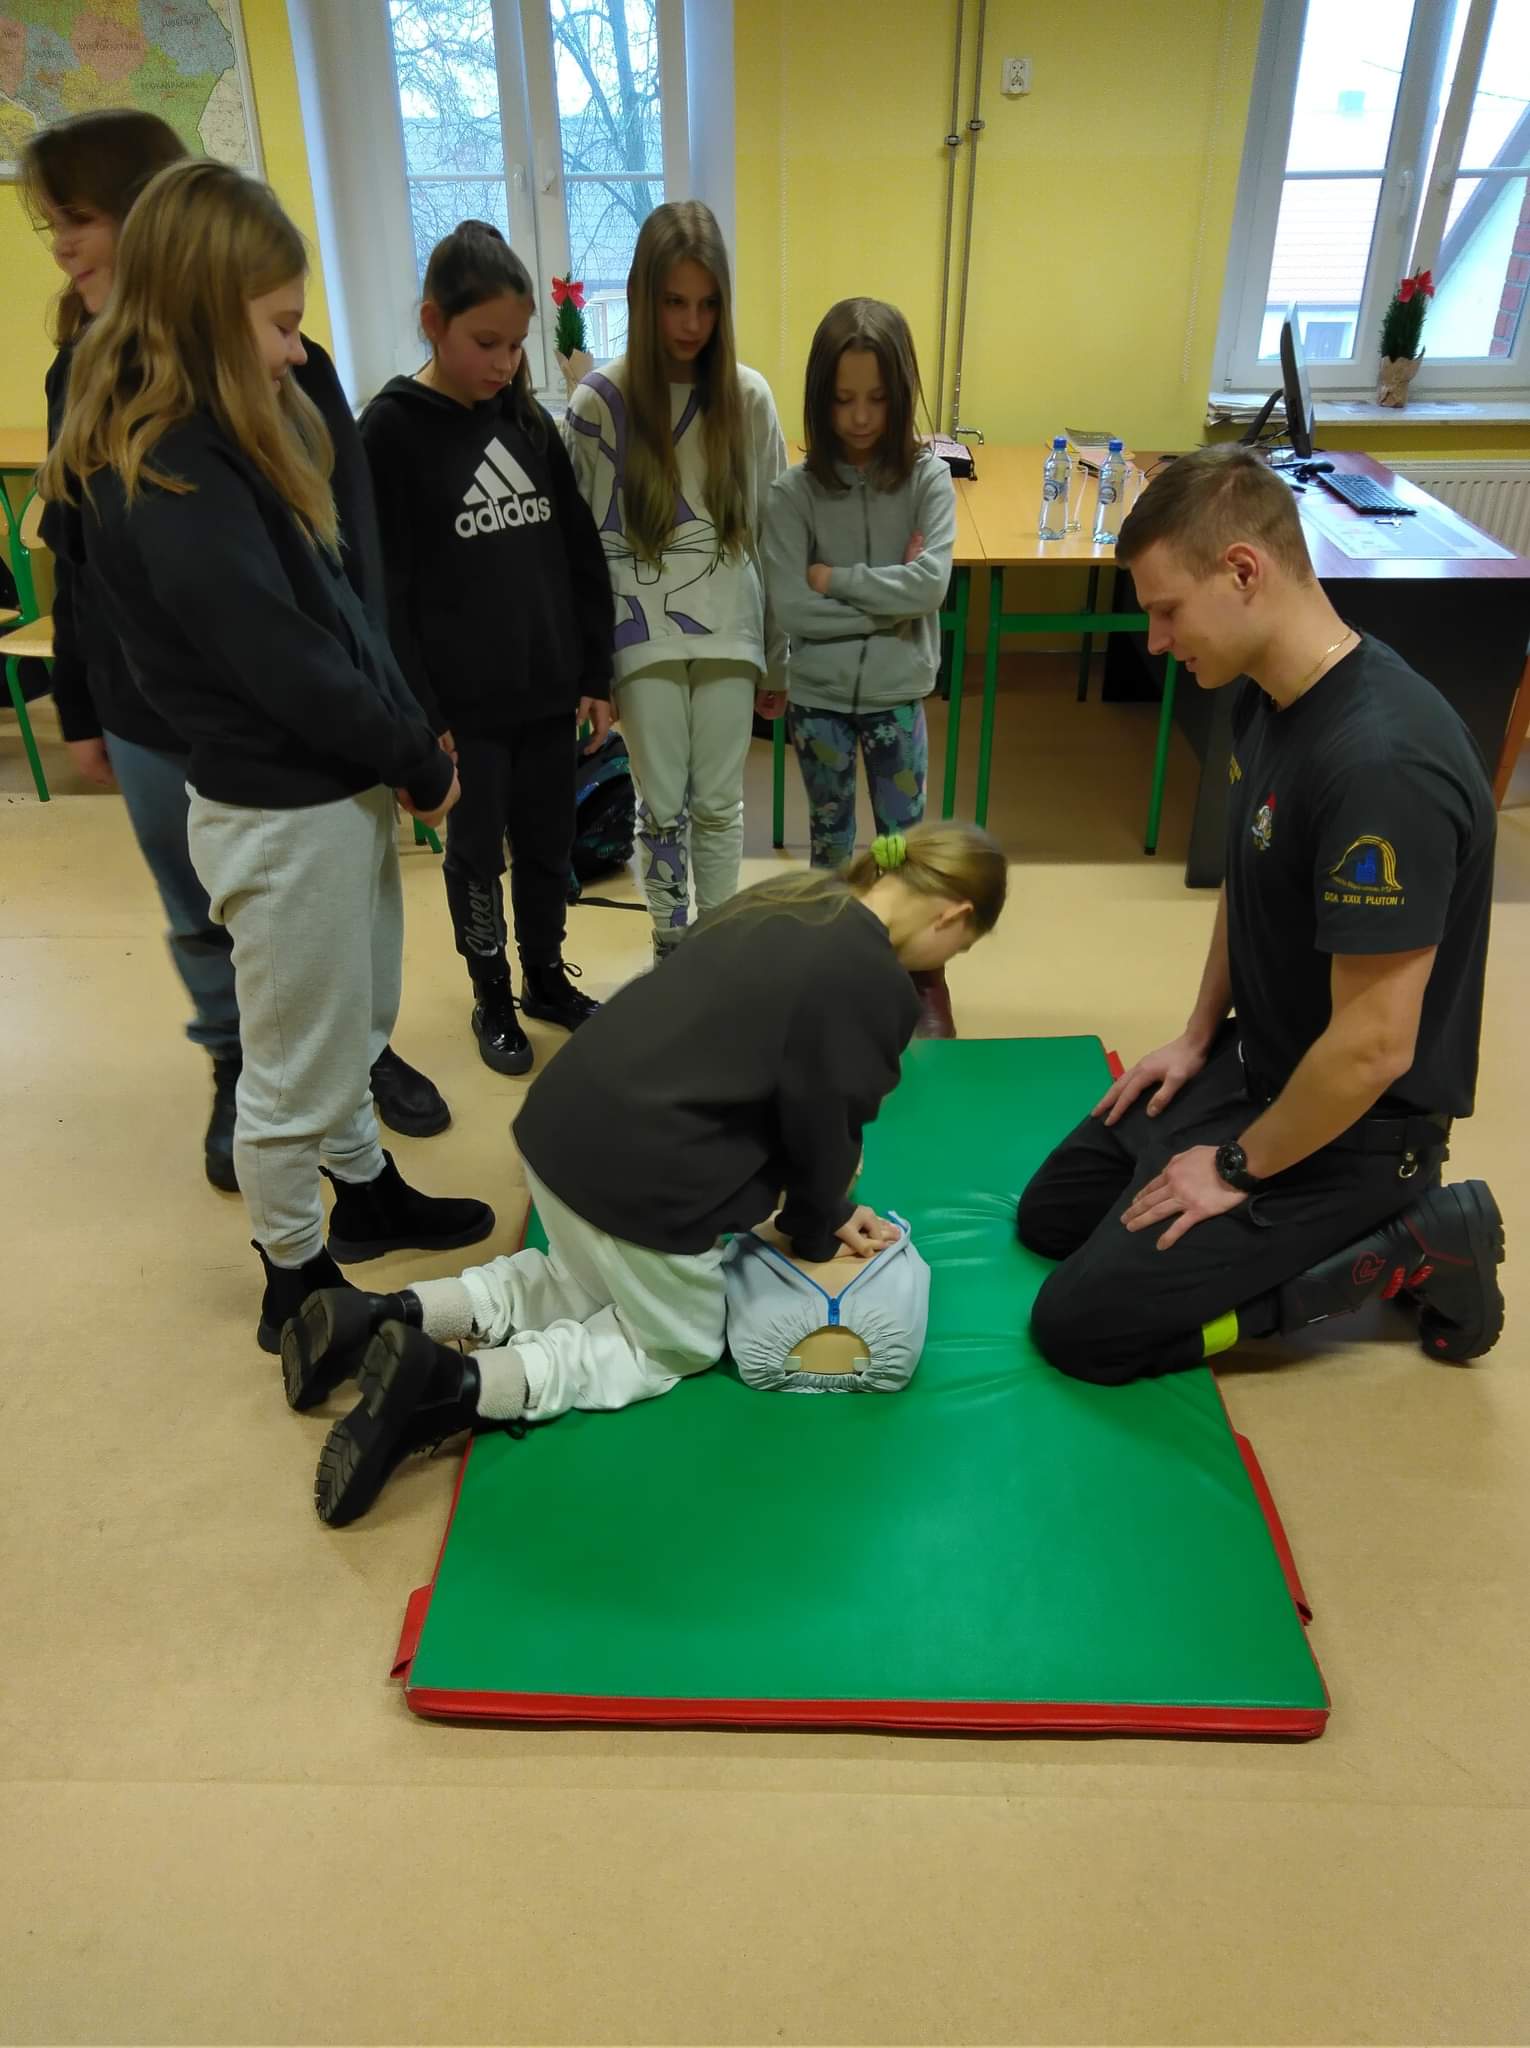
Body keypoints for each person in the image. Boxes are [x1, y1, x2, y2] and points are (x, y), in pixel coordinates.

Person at [42, 159, 496, 1351]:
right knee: (290, 1068)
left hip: (332, 788)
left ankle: (366, 1189)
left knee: (348, 1024)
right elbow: (285, 660)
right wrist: (416, 757)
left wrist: (403, 730)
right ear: (206, 313)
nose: (299, 350)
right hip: (281, 813)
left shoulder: (232, 434)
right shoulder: (171, 471)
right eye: (282, 324)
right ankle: (296, 1279)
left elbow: (338, 609)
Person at [278, 821, 1009, 1526]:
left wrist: (828, 1207)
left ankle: (387, 1313)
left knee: (585, 1279)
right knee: (670, 1342)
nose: (941, 964)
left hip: (559, 1131)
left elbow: (768, 1069)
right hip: (643, 1178)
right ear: (954, 915)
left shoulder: (796, 896)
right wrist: (815, 1229)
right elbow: (826, 1128)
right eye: (962, 947)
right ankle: (456, 1386)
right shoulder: (874, 982)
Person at [1014, 445, 1504, 1385]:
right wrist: (1198, 1036)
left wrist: (1234, 1168)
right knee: (1052, 1217)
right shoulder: (1268, 699)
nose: (1156, 641)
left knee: (1084, 1329)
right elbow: (1250, 879)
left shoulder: (1382, 766)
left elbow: (1374, 1048)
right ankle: (1232, 1159)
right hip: (1259, 1063)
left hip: (1358, 1127)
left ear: (1243, 571)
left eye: (1167, 611)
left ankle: (1410, 1243)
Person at [360, 221, 615, 1077]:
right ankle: (492, 996)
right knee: (477, 860)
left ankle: (544, 976)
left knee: (548, 848)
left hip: (547, 696)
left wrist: (594, 671)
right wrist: (420, 716)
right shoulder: (391, 433)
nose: (505, 363)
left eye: (516, 344)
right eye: (485, 342)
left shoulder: (527, 421)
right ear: (433, 323)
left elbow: (577, 551)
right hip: (463, 716)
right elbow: (386, 593)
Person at [563, 199, 787, 962]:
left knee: (720, 805)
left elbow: (773, 535)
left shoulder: (748, 399)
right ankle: (670, 944)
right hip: (639, 633)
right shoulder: (600, 403)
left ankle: (717, 953)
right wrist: (590, 671)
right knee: (662, 806)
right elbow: (580, 552)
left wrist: (779, 657)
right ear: (642, 298)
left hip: (731, 628)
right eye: (674, 302)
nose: (692, 323)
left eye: (708, 304)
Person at [762, 297, 958, 1037]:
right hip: (818, 705)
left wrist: (836, 579)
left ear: (901, 395)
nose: (861, 417)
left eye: (877, 398)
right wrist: (889, 605)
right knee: (832, 847)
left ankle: (919, 975)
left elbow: (931, 588)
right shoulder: (793, 494)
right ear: (820, 398)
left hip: (897, 698)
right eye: (843, 400)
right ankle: (831, 977)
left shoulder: (928, 482)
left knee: (903, 846)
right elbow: (791, 609)